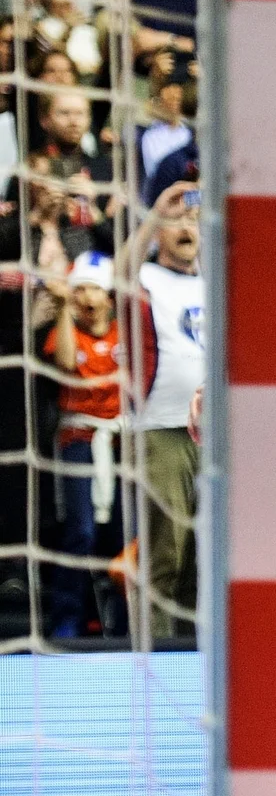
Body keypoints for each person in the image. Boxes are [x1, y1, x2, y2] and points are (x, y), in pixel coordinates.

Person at [122, 181, 205, 640]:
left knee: (201, 557)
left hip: (213, 437)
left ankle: (193, 658)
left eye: (194, 220)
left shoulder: (215, 281)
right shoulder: (149, 277)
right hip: (161, 429)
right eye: (176, 223)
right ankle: (151, 655)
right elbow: (120, 270)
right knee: (165, 555)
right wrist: (157, 212)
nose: (186, 227)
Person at [41, 251, 122, 639]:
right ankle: (66, 620)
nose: (88, 298)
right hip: (79, 441)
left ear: (108, 294)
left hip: (121, 443)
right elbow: (68, 363)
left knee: (126, 533)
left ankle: (123, 621)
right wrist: (62, 309)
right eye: (80, 290)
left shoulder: (124, 334)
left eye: (95, 289)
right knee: (81, 532)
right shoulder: (66, 331)